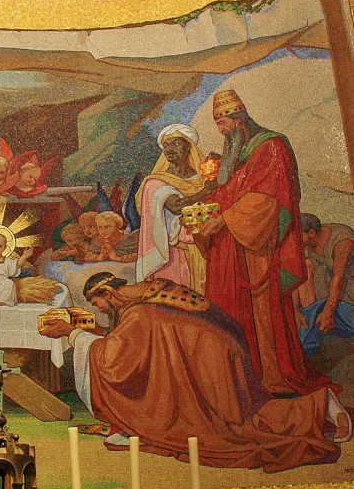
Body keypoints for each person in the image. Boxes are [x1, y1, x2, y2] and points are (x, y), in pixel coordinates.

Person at [40, 272, 350, 468]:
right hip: (223, 349)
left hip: (209, 359)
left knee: (226, 427)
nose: (99, 311)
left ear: (108, 293)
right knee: (241, 416)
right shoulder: (151, 290)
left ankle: (320, 406)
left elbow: (112, 359)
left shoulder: (138, 315)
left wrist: (73, 334)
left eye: (98, 304)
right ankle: (320, 404)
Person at [199, 90, 328, 397]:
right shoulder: (236, 155)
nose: (222, 130)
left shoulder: (270, 147)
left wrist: (225, 218)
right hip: (230, 248)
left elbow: (269, 199)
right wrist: (204, 214)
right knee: (227, 313)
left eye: (224, 123)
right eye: (217, 124)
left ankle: (270, 377)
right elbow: (226, 193)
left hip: (257, 250)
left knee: (260, 314)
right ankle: (235, 379)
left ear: (239, 119)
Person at [135, 124, 207, 293]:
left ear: (189, 146)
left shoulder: (203, 178)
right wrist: (208, 191)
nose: (169, 149)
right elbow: (176, 207)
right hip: (173, 256)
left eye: (175, 144)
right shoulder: (155, 182)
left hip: (204, 250)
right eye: (166, 145)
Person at [296, 213, 354, 356]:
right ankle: (301, 351)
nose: (294, 239)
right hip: (327, 303)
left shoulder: (342, 239)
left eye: (298, 234)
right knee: (305, 266)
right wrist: (294, 309)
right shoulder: (306, 244)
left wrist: (328, 312)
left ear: (311, 232)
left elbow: (338, 278)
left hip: (348, 305)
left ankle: (303, 353)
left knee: (316, 309)